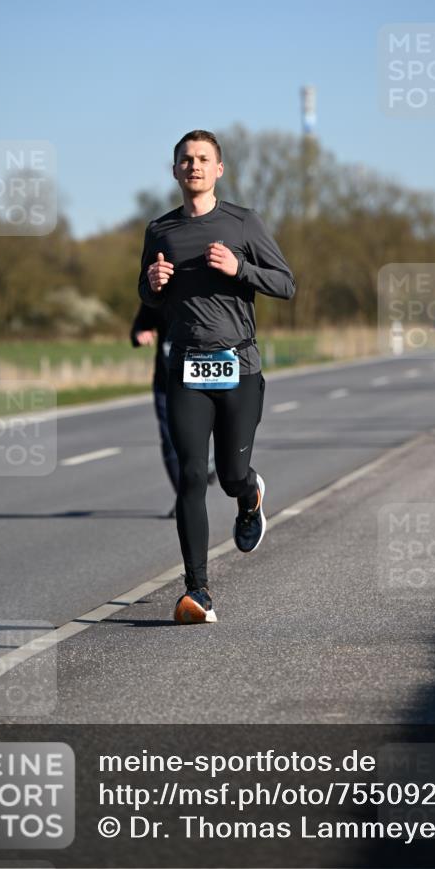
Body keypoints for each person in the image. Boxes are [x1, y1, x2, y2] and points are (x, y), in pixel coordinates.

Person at [138, 129, 295, 623]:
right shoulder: (160, 231)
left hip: (239, 366)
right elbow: (148, 296)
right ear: (175, 170)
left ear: (219, 169)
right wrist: (151, 285)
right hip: (184, 367)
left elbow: (286, 284)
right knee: (189, 476)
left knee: (228, 476)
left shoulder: (243, 223)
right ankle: (198, 591)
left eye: (203, 159)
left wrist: (240, 267)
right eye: (186, 160)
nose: (194, 167)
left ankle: (250, 496)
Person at [130, 303, 216, 517]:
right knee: (169, 441)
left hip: (199, 380)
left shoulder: (204, 294)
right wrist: (140, 333)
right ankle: (184, 501)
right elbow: (139, 325)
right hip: (166, 383)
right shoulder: (158, 294)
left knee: (197, 434)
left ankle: (208, 463)